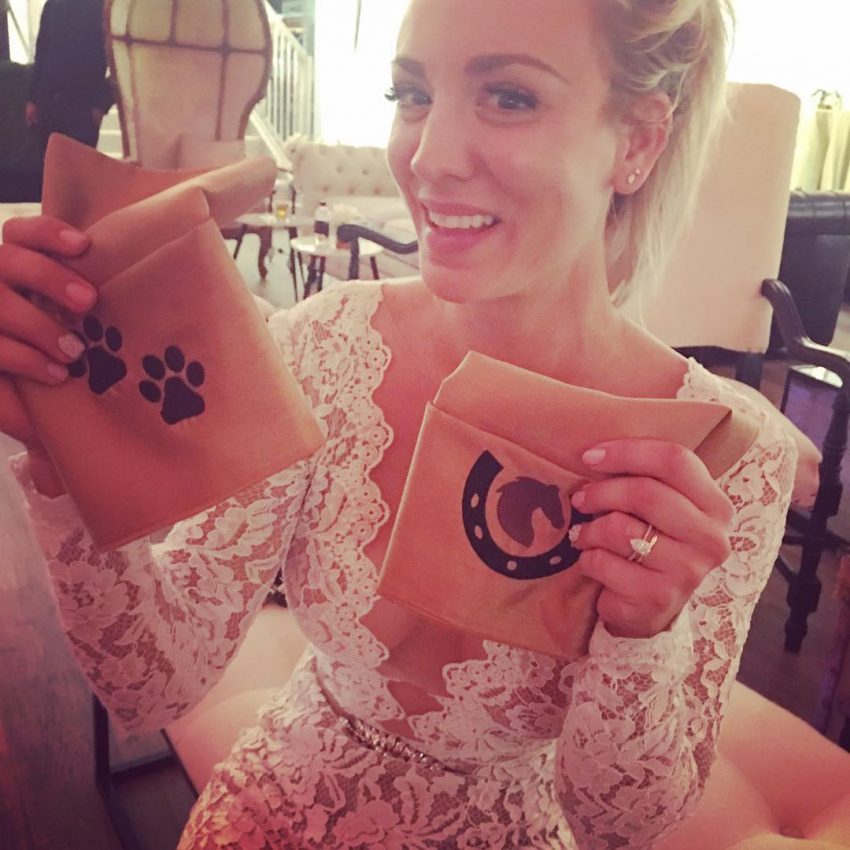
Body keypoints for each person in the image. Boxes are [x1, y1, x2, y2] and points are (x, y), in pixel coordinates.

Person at [0, 0, 798, 847]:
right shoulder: (322, 348)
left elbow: (620, 821)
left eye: (510, 96)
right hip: (269, 813)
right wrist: (62, 452)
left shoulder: (720, 461)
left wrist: (643, 634)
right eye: (411, 94)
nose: (427, 157)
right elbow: (153, 684)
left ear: (636, 142)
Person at [25, 0, 114, 151]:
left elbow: (121, 63)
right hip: (48, 106)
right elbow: (41, 54)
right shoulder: (52, 5)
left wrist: (100, 104)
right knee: (50, 162)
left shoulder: (103, 7)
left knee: (80, 163)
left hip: (82, 108)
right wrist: (32, 99)